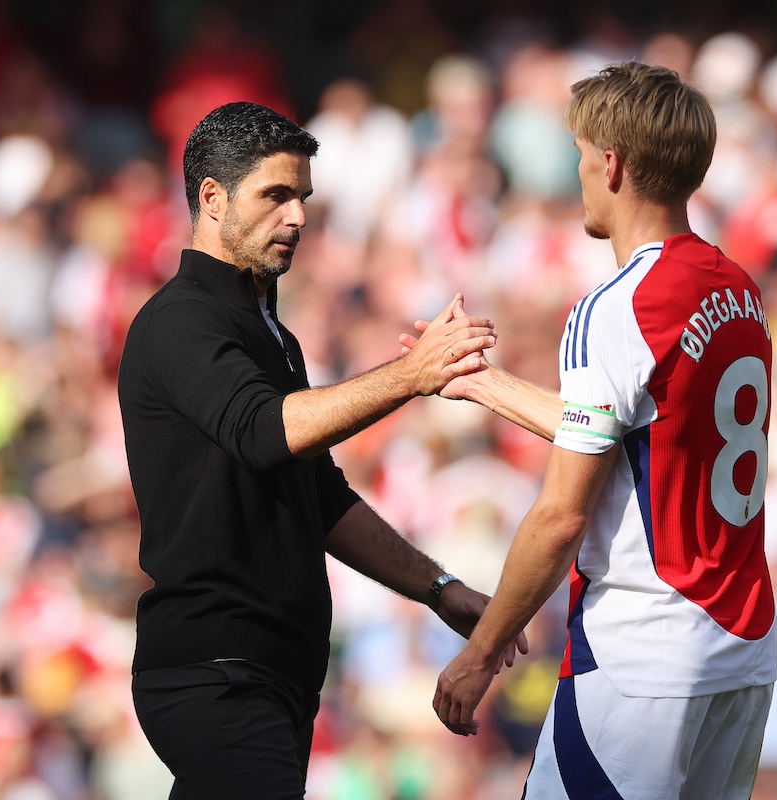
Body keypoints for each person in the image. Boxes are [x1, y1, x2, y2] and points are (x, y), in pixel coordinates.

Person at [117, 101, 523, 799]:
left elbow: (322, 499)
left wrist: (437, 589)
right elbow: (265, 431)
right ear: (211, 198)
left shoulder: (273, 333)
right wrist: (410, 376)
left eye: (302, 196)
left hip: (271, 677)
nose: (298, 215)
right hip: (217, 671)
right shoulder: (180, 321)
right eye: (276, 194)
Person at [420, 63, 777, 798]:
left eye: (580, 153)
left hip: (640, 658)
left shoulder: (616, 306)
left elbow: (561, 515)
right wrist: (482, 382)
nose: (578, 170)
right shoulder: (736, 287)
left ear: (610, 164)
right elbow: (636, 434)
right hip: (738, 647)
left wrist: (481, 653)